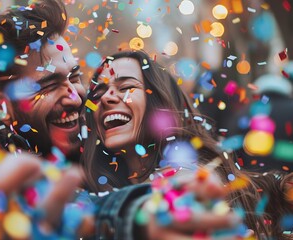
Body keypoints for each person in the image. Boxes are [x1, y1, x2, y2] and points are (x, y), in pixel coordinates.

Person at [0, 1, 249, 239]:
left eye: (74, 76)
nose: (76, 96)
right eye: (48, 86)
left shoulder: (95, 135)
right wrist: (133, 218)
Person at [81, 50, 293, 238]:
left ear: (159, 104)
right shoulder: (99, 194)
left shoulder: (188, 179)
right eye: (98, 93)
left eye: (126, 86)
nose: (106, 97)